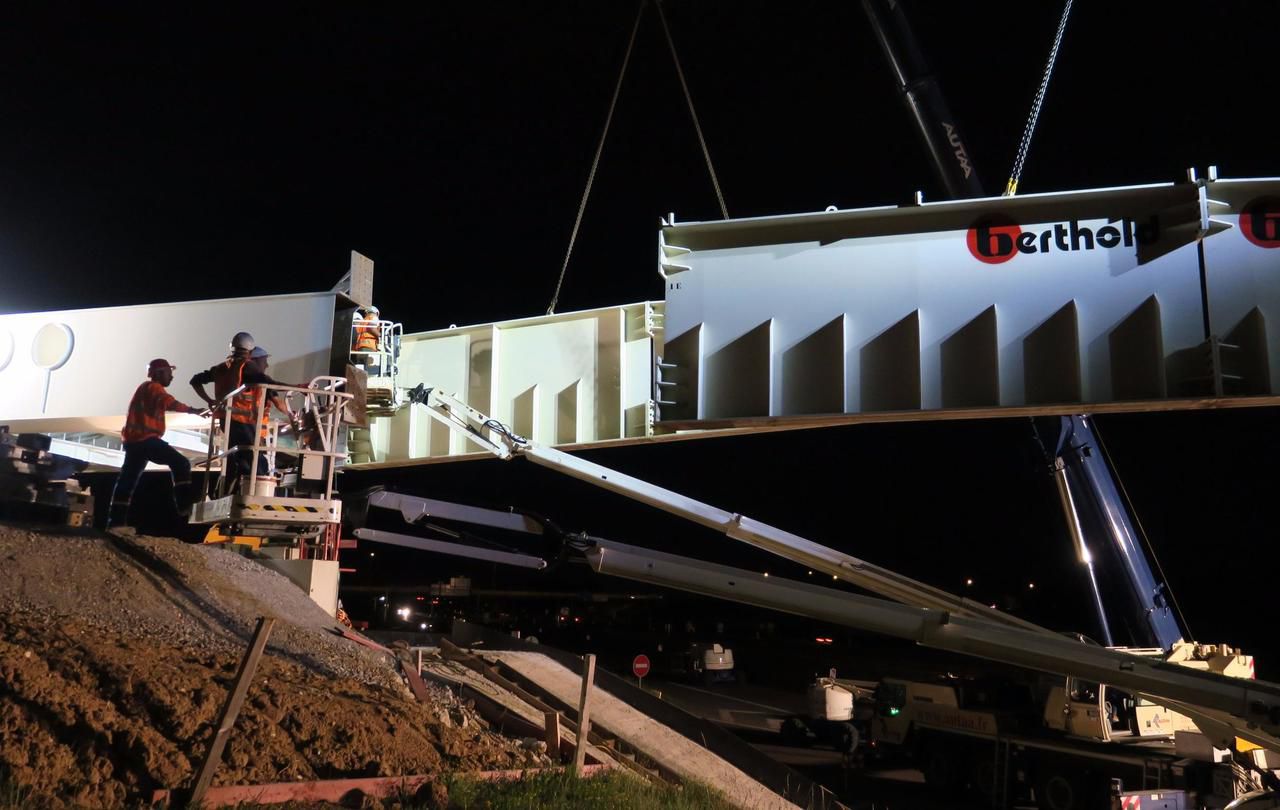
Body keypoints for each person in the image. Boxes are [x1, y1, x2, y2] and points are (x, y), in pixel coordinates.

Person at [107, 358, 205, 531]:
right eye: (169, 372)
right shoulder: (153, 388)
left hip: (134, 442)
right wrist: (193, 410)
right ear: (159, 373)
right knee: (180, 463)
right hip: (146, 440)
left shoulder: (145, 389)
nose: (172, 376)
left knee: (126, 483)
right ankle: (185, 506)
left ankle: (115, 523)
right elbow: (167, 402)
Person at [351, 306, 382, 374]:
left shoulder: (363, 321)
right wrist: (380, 335)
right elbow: (371, 328)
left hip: (360, 348)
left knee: (360, 369)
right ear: (376, 313)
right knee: (369, 370)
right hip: (369, 347)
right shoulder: (374, 317)